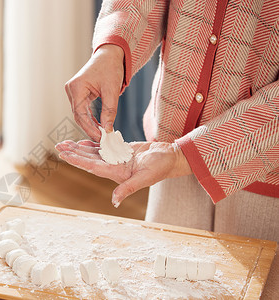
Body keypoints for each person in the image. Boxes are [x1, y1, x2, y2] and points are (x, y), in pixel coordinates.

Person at [55, 0, 278, 298]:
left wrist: (183, 156)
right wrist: (112, 49)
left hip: (264, 171)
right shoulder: (162, 158)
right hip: (165, 154)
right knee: (160, 287)